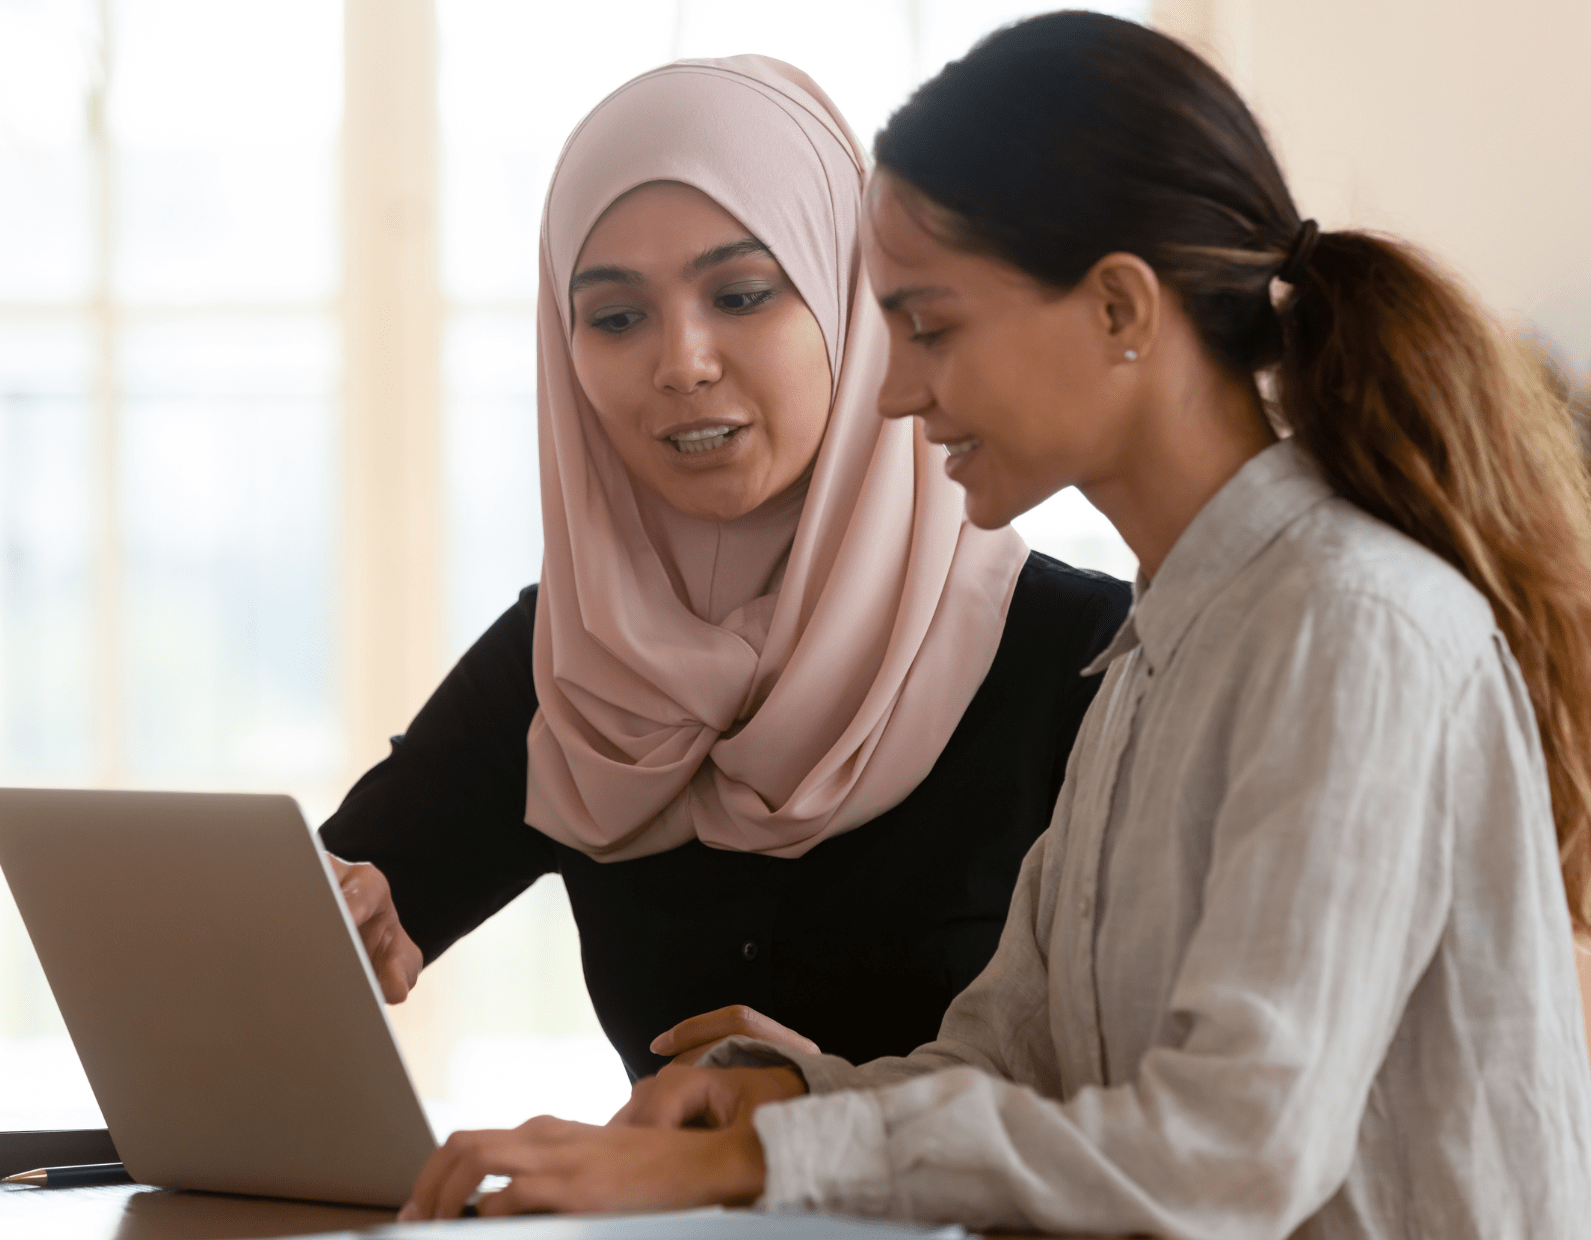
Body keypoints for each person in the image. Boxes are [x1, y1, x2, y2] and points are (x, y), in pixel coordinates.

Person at [397, 14, 1591, 1236]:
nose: (896, 386)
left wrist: (737, 1170)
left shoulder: (1349, 628)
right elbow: (1011, 1060)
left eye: (929, 326)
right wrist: (774, 1100)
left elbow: (1232, 1151)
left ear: (1120, 308)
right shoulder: (1153, 653)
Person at [320, 55, 1129, 1083]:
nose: (681, 362)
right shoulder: (571, 657)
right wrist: (333, 915)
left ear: (856, 306)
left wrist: (816, 1117)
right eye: (614, 317)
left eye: (742, 294)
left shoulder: (1093, 662)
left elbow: (1159, 1106)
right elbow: (333, 903)